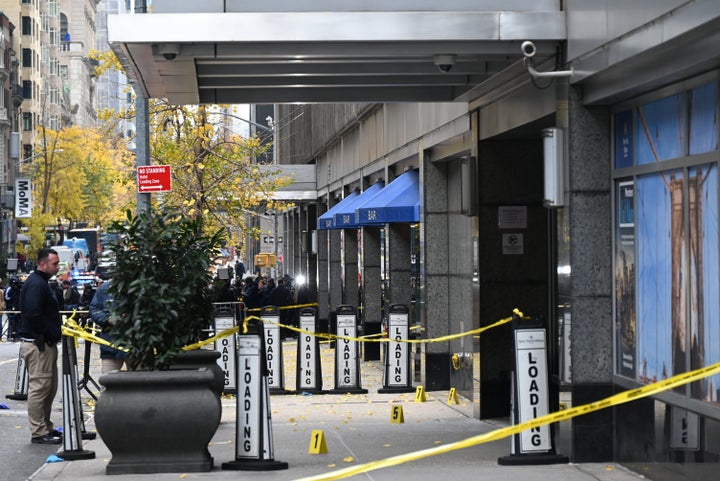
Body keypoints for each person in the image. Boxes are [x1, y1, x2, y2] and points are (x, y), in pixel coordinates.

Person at [17, 248, 62, 445]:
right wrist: (47, 334)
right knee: (41, 387)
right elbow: (33, 314)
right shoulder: (36, 284)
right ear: (43, 264)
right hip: (38, 345)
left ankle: (45, 427)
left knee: (49, 387)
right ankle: (39, 431)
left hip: (43, 343)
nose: (58, 267)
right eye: (55, 264)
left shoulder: (40, 282)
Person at [89, 279, 128, 374]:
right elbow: (94, 309)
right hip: (110, 346)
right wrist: (108, 320)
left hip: (136, 347)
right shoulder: (104, 288)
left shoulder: (139, 287)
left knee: (141, 384)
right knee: (107, 383)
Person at [4, 277, 21, 341]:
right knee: (11, 322)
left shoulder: (17, 290)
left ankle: (17, 335)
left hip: (17, 308)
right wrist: (12, 302)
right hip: (9, 308)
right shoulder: (9, 289)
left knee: (17, 322)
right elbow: (6, 298)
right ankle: (10, 335)